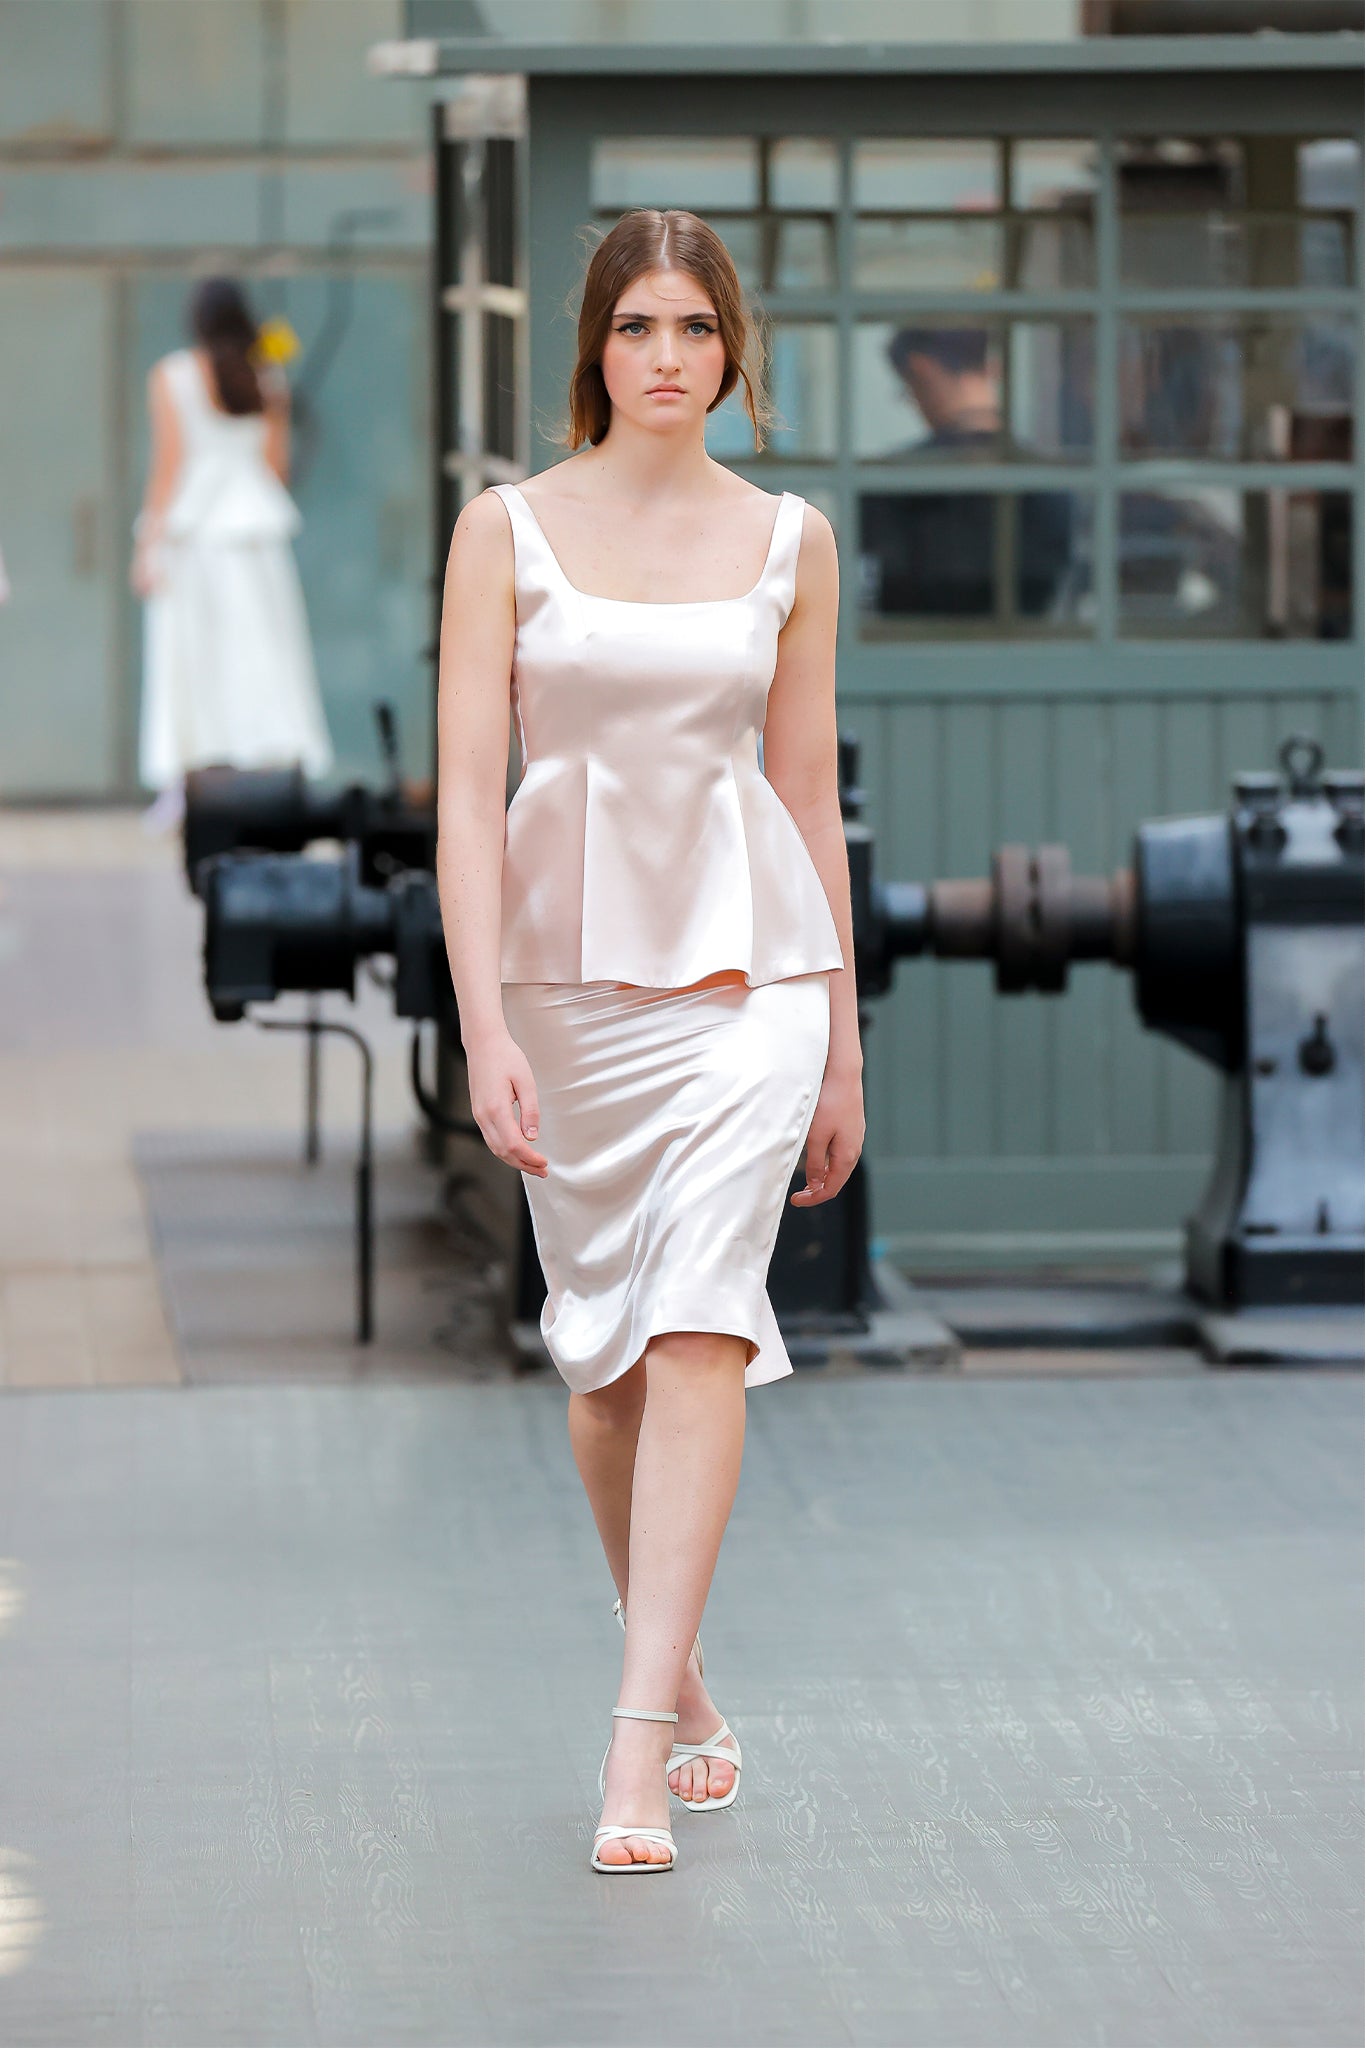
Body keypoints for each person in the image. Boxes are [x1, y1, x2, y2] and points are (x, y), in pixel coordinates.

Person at [436, 210, 865, 1875]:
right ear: (595, 352)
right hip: (565, 989)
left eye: (696, 328)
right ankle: (672, 1662)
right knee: (605, 1370)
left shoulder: (789, 541)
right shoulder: (508, 531)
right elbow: (471, 802)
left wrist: (835, 1049)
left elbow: (810, 796)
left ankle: (628, 1745)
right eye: (638, 329)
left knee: (701, 1327)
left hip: (750, 984)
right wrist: (484, 1024)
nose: (668, 357)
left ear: (734, 351)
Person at [131, 277, 333, 831]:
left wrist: (146, 544)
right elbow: (276, 468)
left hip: (191, 537)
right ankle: (275, 774)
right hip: (252, 538)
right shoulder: (265, 376)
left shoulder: (172, 376)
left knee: (188, 660)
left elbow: (168, 467)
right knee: (263, 653)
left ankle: (185, 786)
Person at [859, 324, 1077, 623]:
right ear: (992, 368)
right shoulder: (1053, 480)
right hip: (1027, 662)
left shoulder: (893, 481)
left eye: (908, 391)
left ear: (921, 369)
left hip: (916, 663)